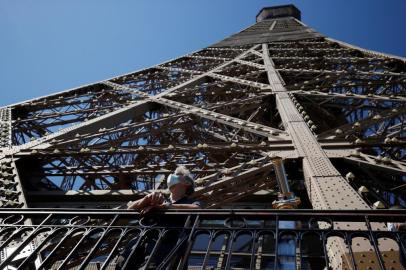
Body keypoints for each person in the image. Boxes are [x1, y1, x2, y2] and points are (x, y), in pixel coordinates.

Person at [115, 166, 202, 269]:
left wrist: (167, 206)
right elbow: (129, 209)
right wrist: (145, 200)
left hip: (166, 245)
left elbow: (197, 209)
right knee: (122, 264)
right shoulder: (157, 198)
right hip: (140, 241)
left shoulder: (190, 202)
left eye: (178, 176)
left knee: (152, 267)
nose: (172, 177)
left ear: (187, 183)